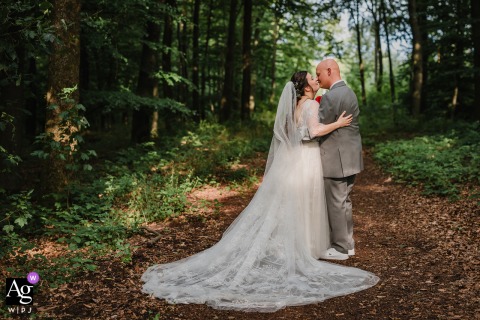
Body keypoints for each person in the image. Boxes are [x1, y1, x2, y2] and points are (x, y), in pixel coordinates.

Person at [141, 71, 379, 313]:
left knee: (295, 202)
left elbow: (292, 133)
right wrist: (338, 124)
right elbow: (313, 132)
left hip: (295, 159)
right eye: (312, 78)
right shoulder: (310, 106)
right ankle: (305, 246)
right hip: (306, 158)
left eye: (316, 77)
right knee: (306, 201)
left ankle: (299, 243)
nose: (316, 80)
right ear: (306, 87)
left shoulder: (296, 105)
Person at [316, 59, 363, 259]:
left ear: (329, 71)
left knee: (336, 203)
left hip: (336, 159)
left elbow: (317, 128)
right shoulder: (349, 92)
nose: (317, 78)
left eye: (318, 74)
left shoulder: (330, 97)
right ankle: (348, 243)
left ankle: (341, 248)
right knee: (345, 202)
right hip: (351, 157)